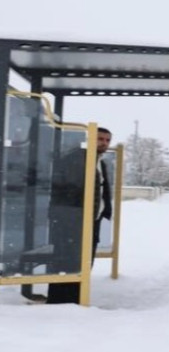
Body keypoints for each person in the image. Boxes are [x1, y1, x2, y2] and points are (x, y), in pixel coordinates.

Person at [46, 126, 113, 304]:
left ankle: (75, 297)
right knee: (67, 261)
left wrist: (104, 213)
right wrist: (70, 217)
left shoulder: (100, 162)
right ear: (90, 139)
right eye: (100, 139)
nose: (104, 143)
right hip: (72, 221)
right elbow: (69, 190)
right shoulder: (76, 159)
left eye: (107, 140)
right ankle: (61, 300)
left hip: (91, 221)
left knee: (84, 262)